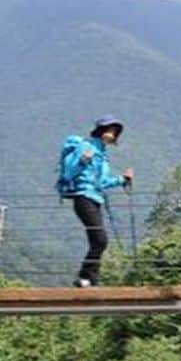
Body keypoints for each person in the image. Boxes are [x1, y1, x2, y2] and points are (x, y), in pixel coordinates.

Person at [60, 114, 134, 287]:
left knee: (97, 241)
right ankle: (85, 277)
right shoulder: (86, 146)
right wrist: (83, 160)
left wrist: (122, 179)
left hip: (95, 198)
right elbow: (68, 173)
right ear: (101, 130)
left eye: (115, 131)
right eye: (110, 129)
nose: (113, 134)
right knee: (100, 240)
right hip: (83, 196)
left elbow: (101, 182)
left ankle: (91, 280)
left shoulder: (101, 153)